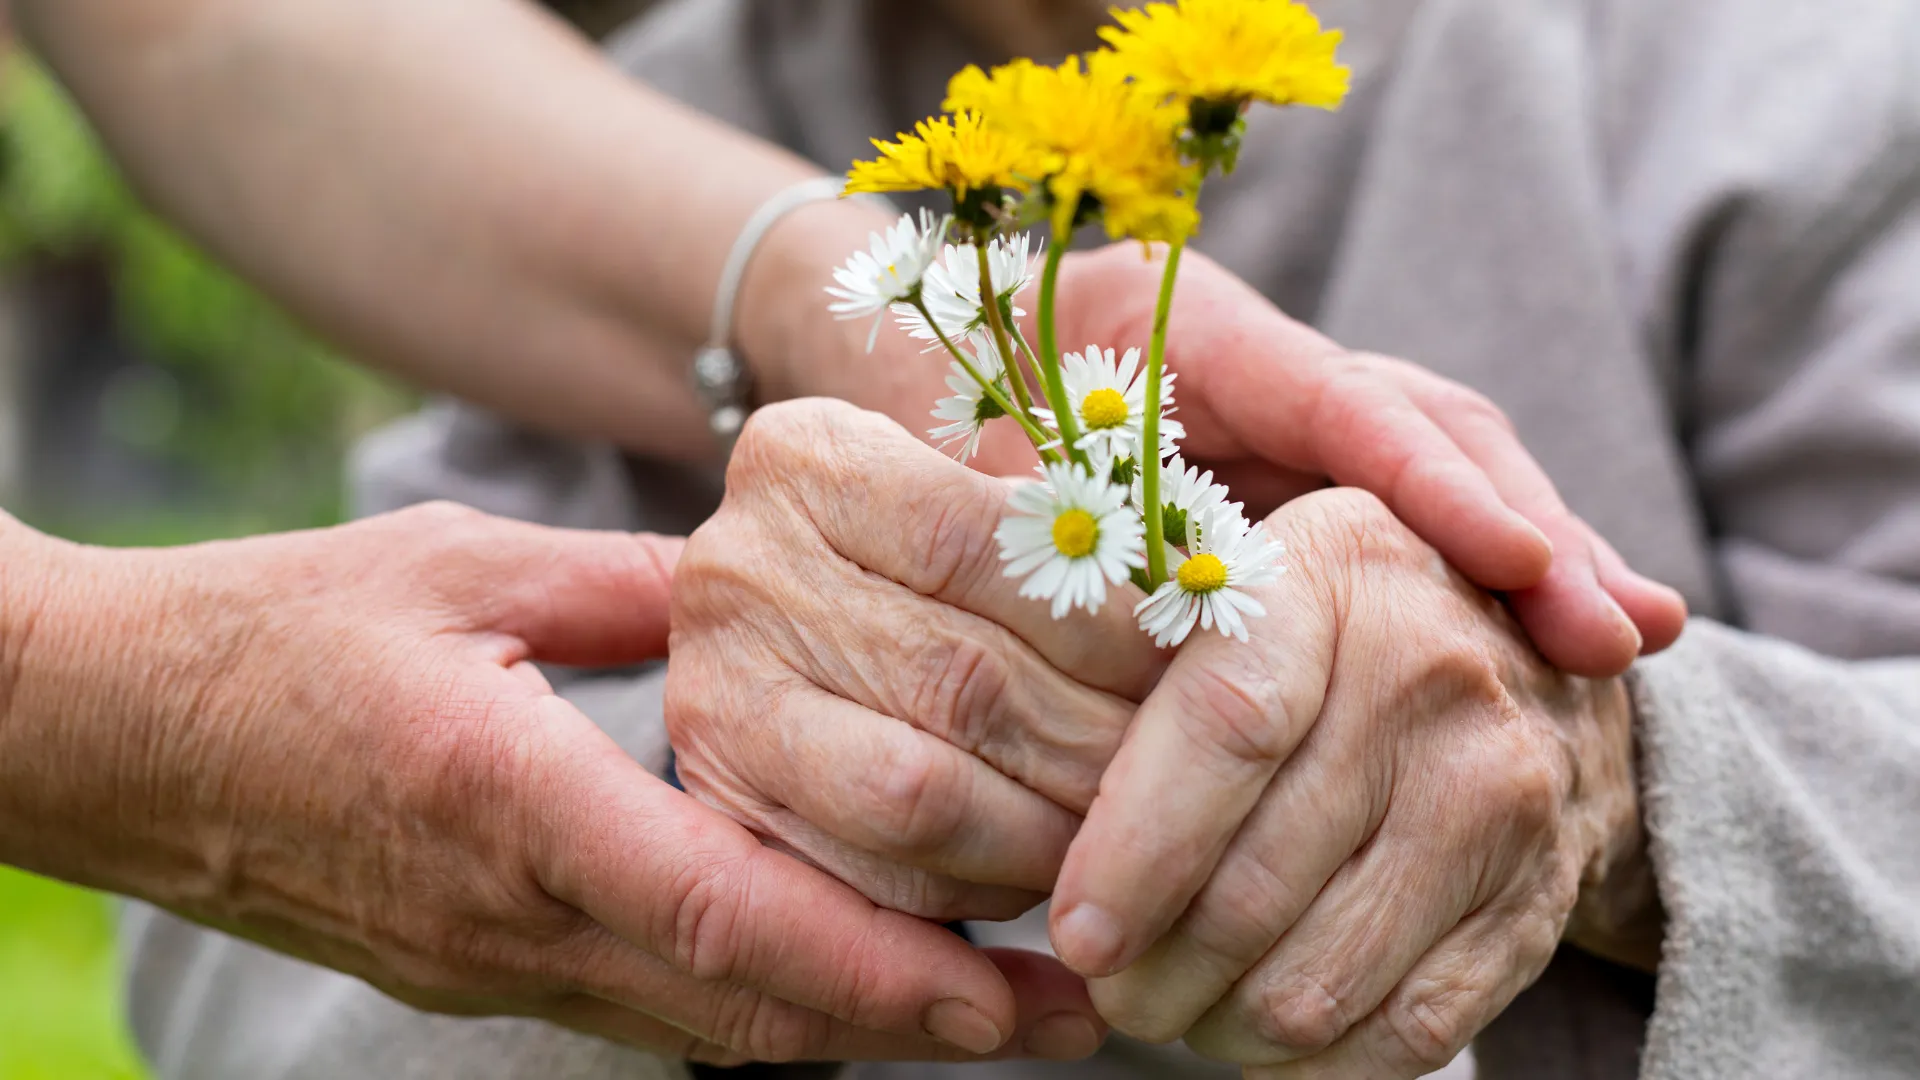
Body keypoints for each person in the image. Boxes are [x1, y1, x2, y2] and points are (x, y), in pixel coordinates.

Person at [113, 0, 1920, 1078]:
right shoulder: (599, 147)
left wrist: (1620, 792)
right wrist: (733, 802)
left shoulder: (1785, 90)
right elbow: (243, 967)